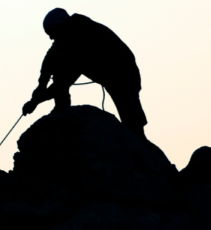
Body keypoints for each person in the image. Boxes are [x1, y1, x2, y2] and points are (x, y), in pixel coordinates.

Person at [22, 8, 148, 137]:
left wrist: (35, 101)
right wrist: (41, 85)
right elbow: (51, 59)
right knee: (132, 122)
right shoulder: (71, 33)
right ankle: (61, 107)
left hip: (124, 76)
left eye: (51, 33)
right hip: (120, 74)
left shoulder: (81, 39)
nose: (50, 38)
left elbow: (62, 82)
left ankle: (142, 146)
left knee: (133, 123)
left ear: (60, 27)